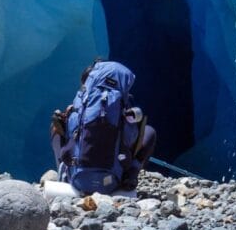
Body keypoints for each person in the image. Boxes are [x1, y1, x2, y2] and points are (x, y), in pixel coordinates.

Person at [50, 60, 157, 193]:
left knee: (55, 125)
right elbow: (131, 137)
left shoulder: (81, 103)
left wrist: (66, 119)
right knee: (149, 131)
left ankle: (64, 171)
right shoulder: (123, 103)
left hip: (78, 179)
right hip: (113, 181)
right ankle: (131, 174)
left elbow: (71, 135)